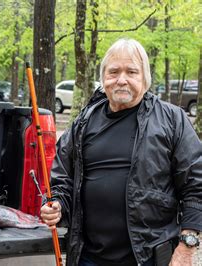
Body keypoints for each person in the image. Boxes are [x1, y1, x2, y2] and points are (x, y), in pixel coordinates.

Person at [41, 38, 201, 266]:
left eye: (131, 72)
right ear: (103, 77)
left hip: (149, 258)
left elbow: (196, 185)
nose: (121, 80)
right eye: (114, 71)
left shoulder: (172, 120)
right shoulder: (83, 123)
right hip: (89, 258)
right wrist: (57, 204)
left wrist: (187, 247)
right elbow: (62, 180)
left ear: (145, 78)